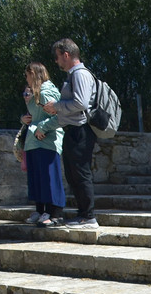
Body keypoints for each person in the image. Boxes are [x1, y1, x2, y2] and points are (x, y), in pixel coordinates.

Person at [43, 38, 97, 227]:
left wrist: (56, 106)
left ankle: (88, 216)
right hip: (72, 130)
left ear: (66, 55)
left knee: (80, 173)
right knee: (73, 174)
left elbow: (81, 103)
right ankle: (83, 214)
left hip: (80, 131)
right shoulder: (73, 75)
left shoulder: (80, 74)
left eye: (57, 57)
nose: (56, 62)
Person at [19, 63, 65, 227]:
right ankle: (40, 210)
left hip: (47, 141)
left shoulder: (47, 91)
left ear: (33, 74)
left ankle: (54, 213)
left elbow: (59, 116)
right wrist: (23, 119)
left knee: (49, 177)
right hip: (34, 141)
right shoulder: (34, 93)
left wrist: (42, 127)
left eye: (27, 75)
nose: (26, 79)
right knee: (37, 178)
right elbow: (34, 115)